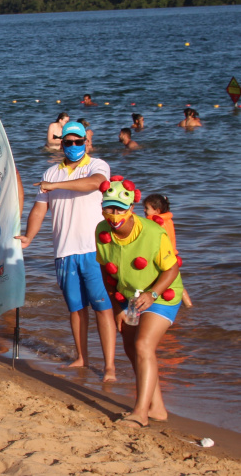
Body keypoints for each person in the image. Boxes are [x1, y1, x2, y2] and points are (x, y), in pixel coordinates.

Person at [16, 121, 117, 382]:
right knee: (76, 308)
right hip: (64, 251)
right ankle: (81, 357)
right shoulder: (51, 173)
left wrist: (56, 187)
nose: (73, 146)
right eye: (68, 142)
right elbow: (39, 209)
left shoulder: (97, 165)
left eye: (78, 142)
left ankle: (109, 367)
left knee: (103, 308)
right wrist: (29, 236)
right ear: (61, 144)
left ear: (86, 142)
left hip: (94, 250)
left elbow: (95, 184)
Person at [94, 177, 183, 427]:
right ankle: (158, 409)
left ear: (131, 209)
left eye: (119, 209)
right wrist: (118, 308)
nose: (113, 215)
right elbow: (106, 272)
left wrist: (152, 294)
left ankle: (140, 413)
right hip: (129, 296)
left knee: (144, 345)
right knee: (132, 348)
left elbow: (172, 269)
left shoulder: (154, 233)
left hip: (161, 293)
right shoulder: (101, 231)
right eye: (108, 208)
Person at [143, 194, 191, 307]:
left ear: (157, 210)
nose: (144, 210)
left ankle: (159, 304)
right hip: (173, 256)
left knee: (162, 281)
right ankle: (189, 305)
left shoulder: (155, 223)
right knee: (177, 282)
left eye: (147, 208)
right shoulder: (168, 220)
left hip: (163, 258)